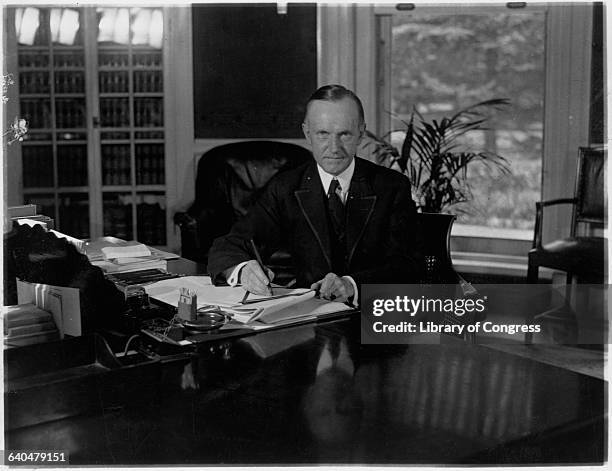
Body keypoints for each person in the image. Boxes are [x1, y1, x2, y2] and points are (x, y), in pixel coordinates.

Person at [207, 84, 422, 303]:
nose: (334, 148)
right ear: (307, 134)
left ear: (360, 133)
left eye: (345, 134)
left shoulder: (392, 186)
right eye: (323, 134)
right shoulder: (285, 187)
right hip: (307, 319)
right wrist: (242, 270)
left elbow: (409, 264)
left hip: (374, 313)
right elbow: (228, 246)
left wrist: (351, 285)